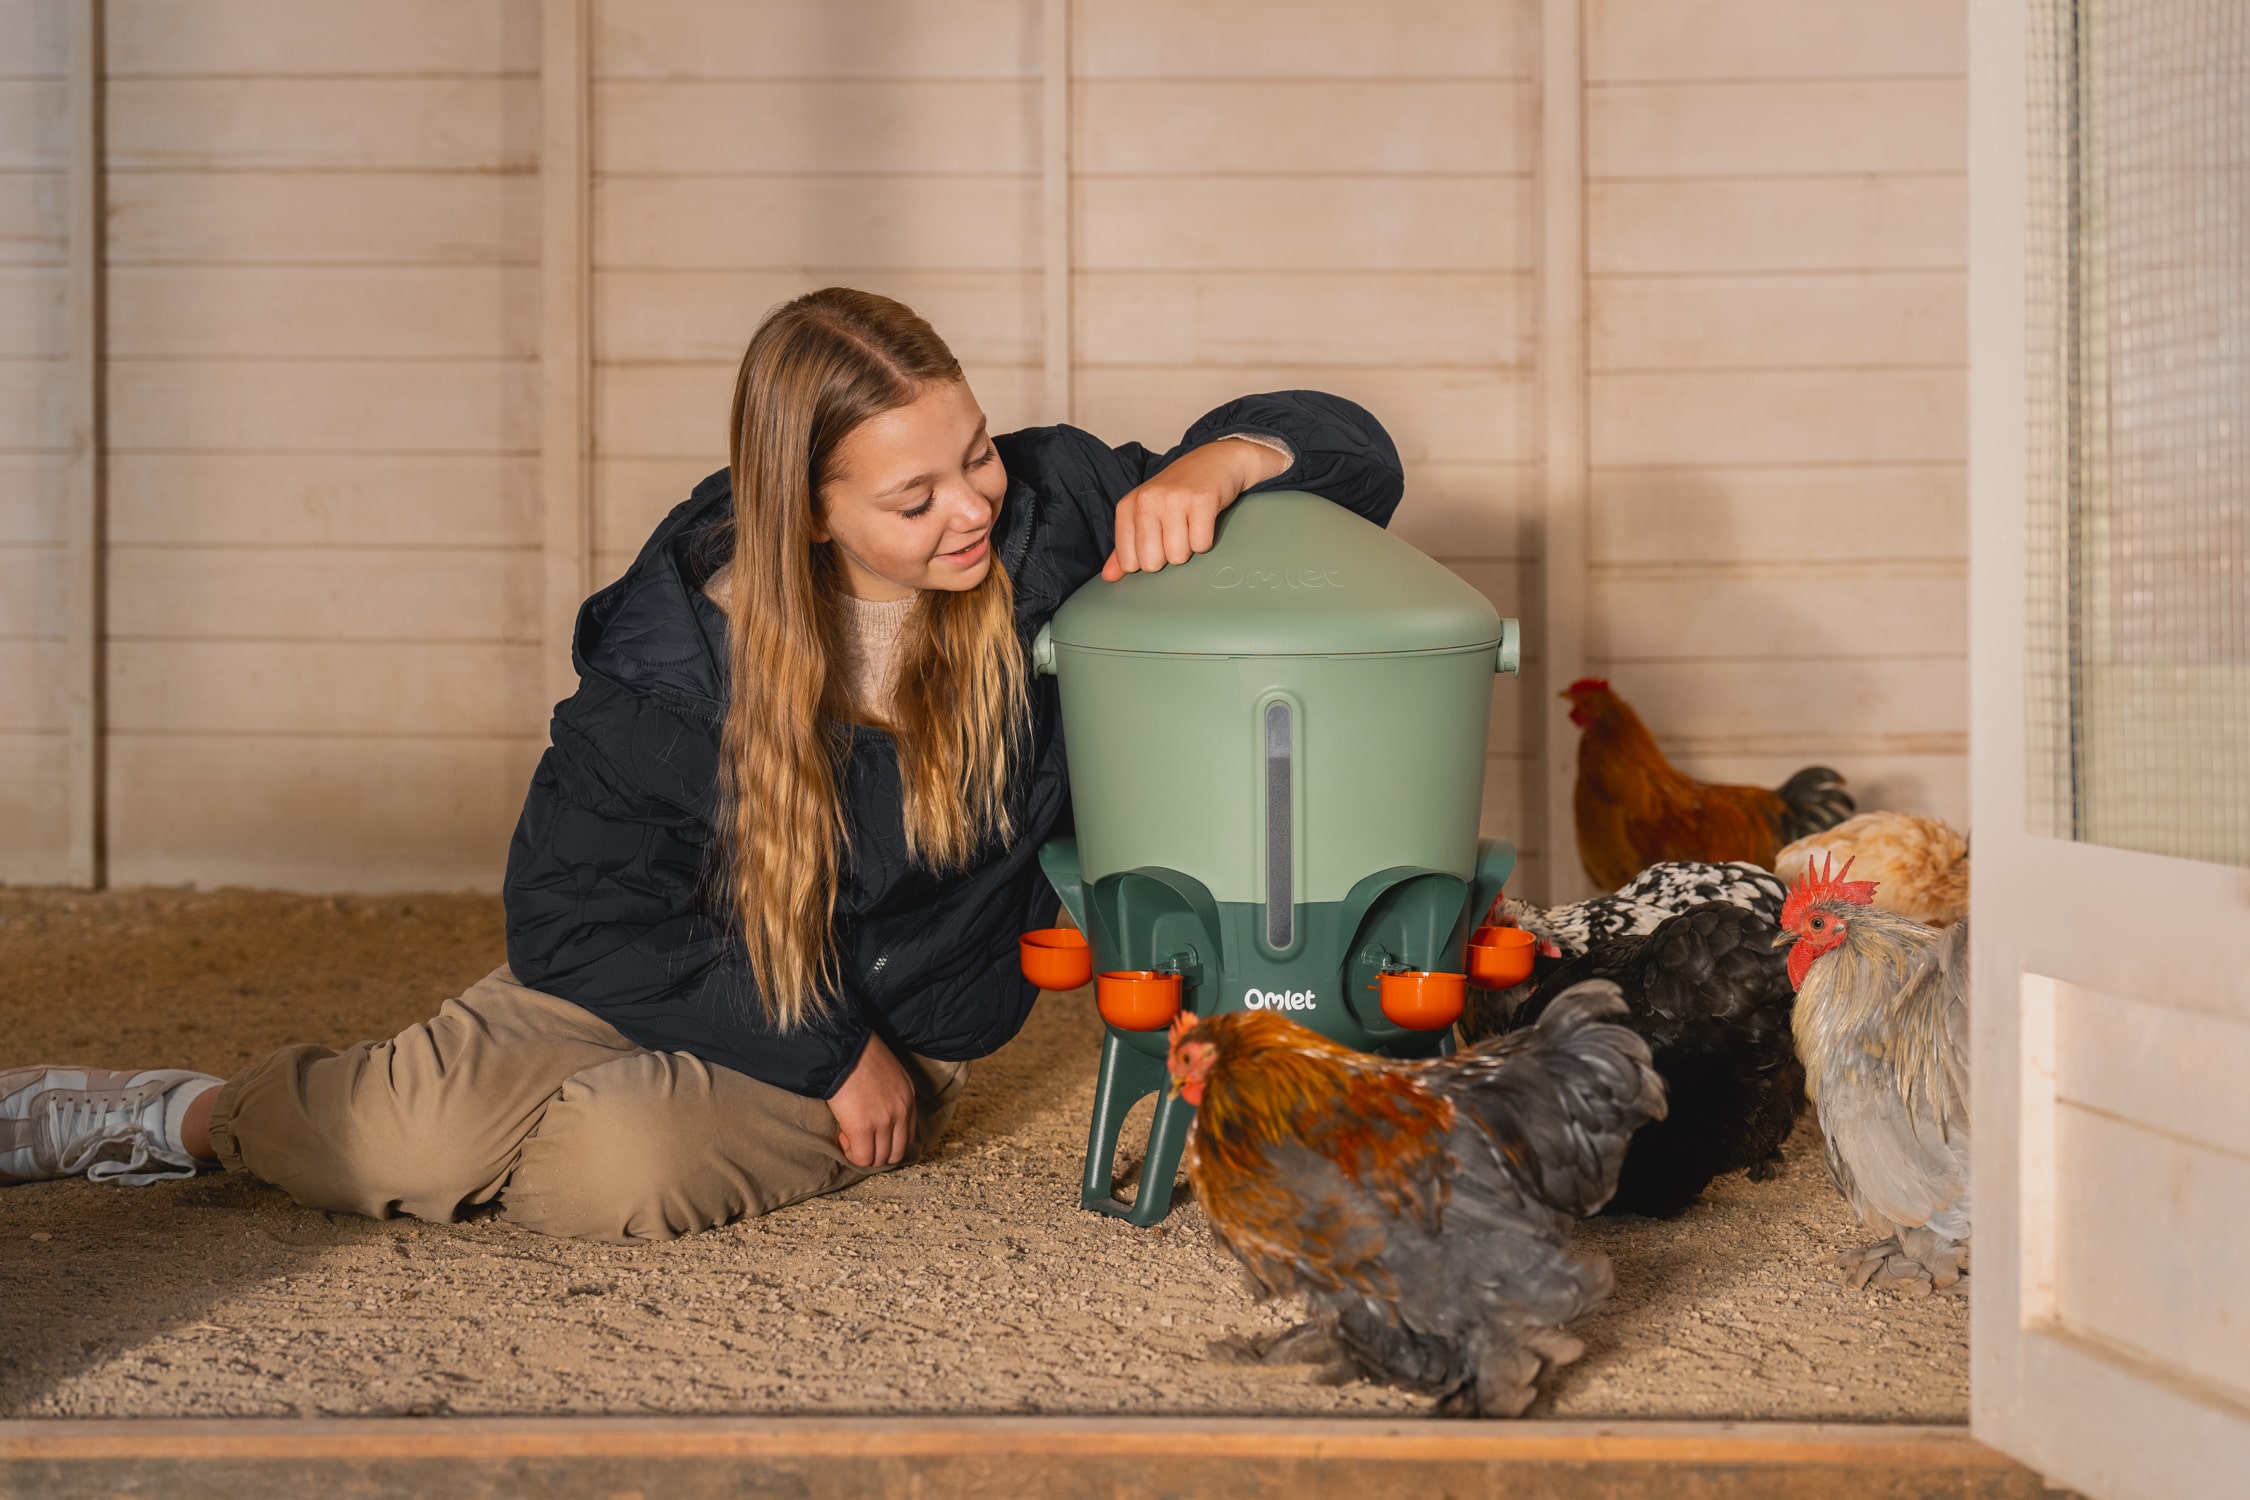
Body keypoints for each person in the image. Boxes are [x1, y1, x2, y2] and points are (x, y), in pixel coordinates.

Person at [1, 288, 1404, 1242]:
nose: (970, 502)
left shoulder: (1043, 517)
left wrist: (1215, 464)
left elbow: (1354, 455)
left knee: (622, 1169)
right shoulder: (668, 666)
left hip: (895, 1005)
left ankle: (523, 1105)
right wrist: (821, 1050)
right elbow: (573, 918)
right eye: (912, 497)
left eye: (972, 454)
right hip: (673, 968)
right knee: (405, 1147)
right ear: (803, 510)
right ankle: (178, 1119)